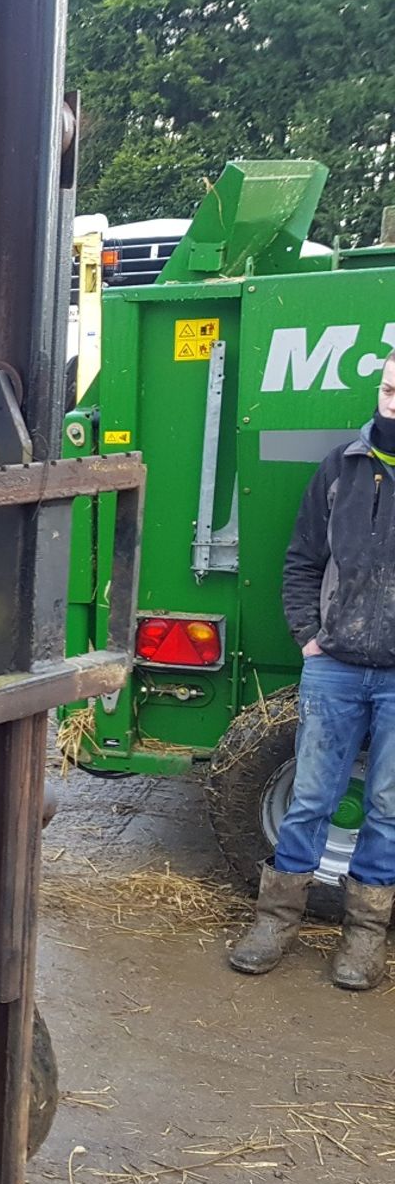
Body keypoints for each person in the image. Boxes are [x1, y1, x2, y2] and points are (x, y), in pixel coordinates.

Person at [231, 354, 395, 989]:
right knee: (310, 798)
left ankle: (364, 935)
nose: (390, 401)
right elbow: (301, 559)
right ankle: (274, 920)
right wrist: (308, 636)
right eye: (386, 387)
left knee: (385, 805)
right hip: (336, 669)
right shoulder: (341, 468)